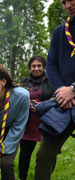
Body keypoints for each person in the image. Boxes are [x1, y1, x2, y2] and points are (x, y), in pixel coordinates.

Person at [34, 1, 75, 179]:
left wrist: (74, 88)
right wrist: (62, 92)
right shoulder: (59, 32)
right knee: (44, 155)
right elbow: (51, 65)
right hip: (63, 103)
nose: (67, 5)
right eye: (63, 2)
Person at [18, 55, 55, 180]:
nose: (36, 68)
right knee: (24, 154)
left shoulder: (51, 80)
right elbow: (19, 98)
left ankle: (45, 176)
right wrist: (28, 104)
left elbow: (56, 98)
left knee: (48, 153)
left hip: (46, 122)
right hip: (28, 123)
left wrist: (42, 106)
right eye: (33, 66)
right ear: (30, 67)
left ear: (43, 67)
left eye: (39, 65)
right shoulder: (24, 81)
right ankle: (22, 177)